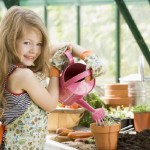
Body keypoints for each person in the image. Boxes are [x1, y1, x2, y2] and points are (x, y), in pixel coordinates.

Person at [0, 6, 105, 149]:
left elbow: (65, 47)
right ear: (10, 40)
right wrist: (54, 71)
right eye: (27, 43)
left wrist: (87, 55)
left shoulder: (13, 67)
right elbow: (50, 104)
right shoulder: (23, 75)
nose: (34, 50)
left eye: (39, 44)